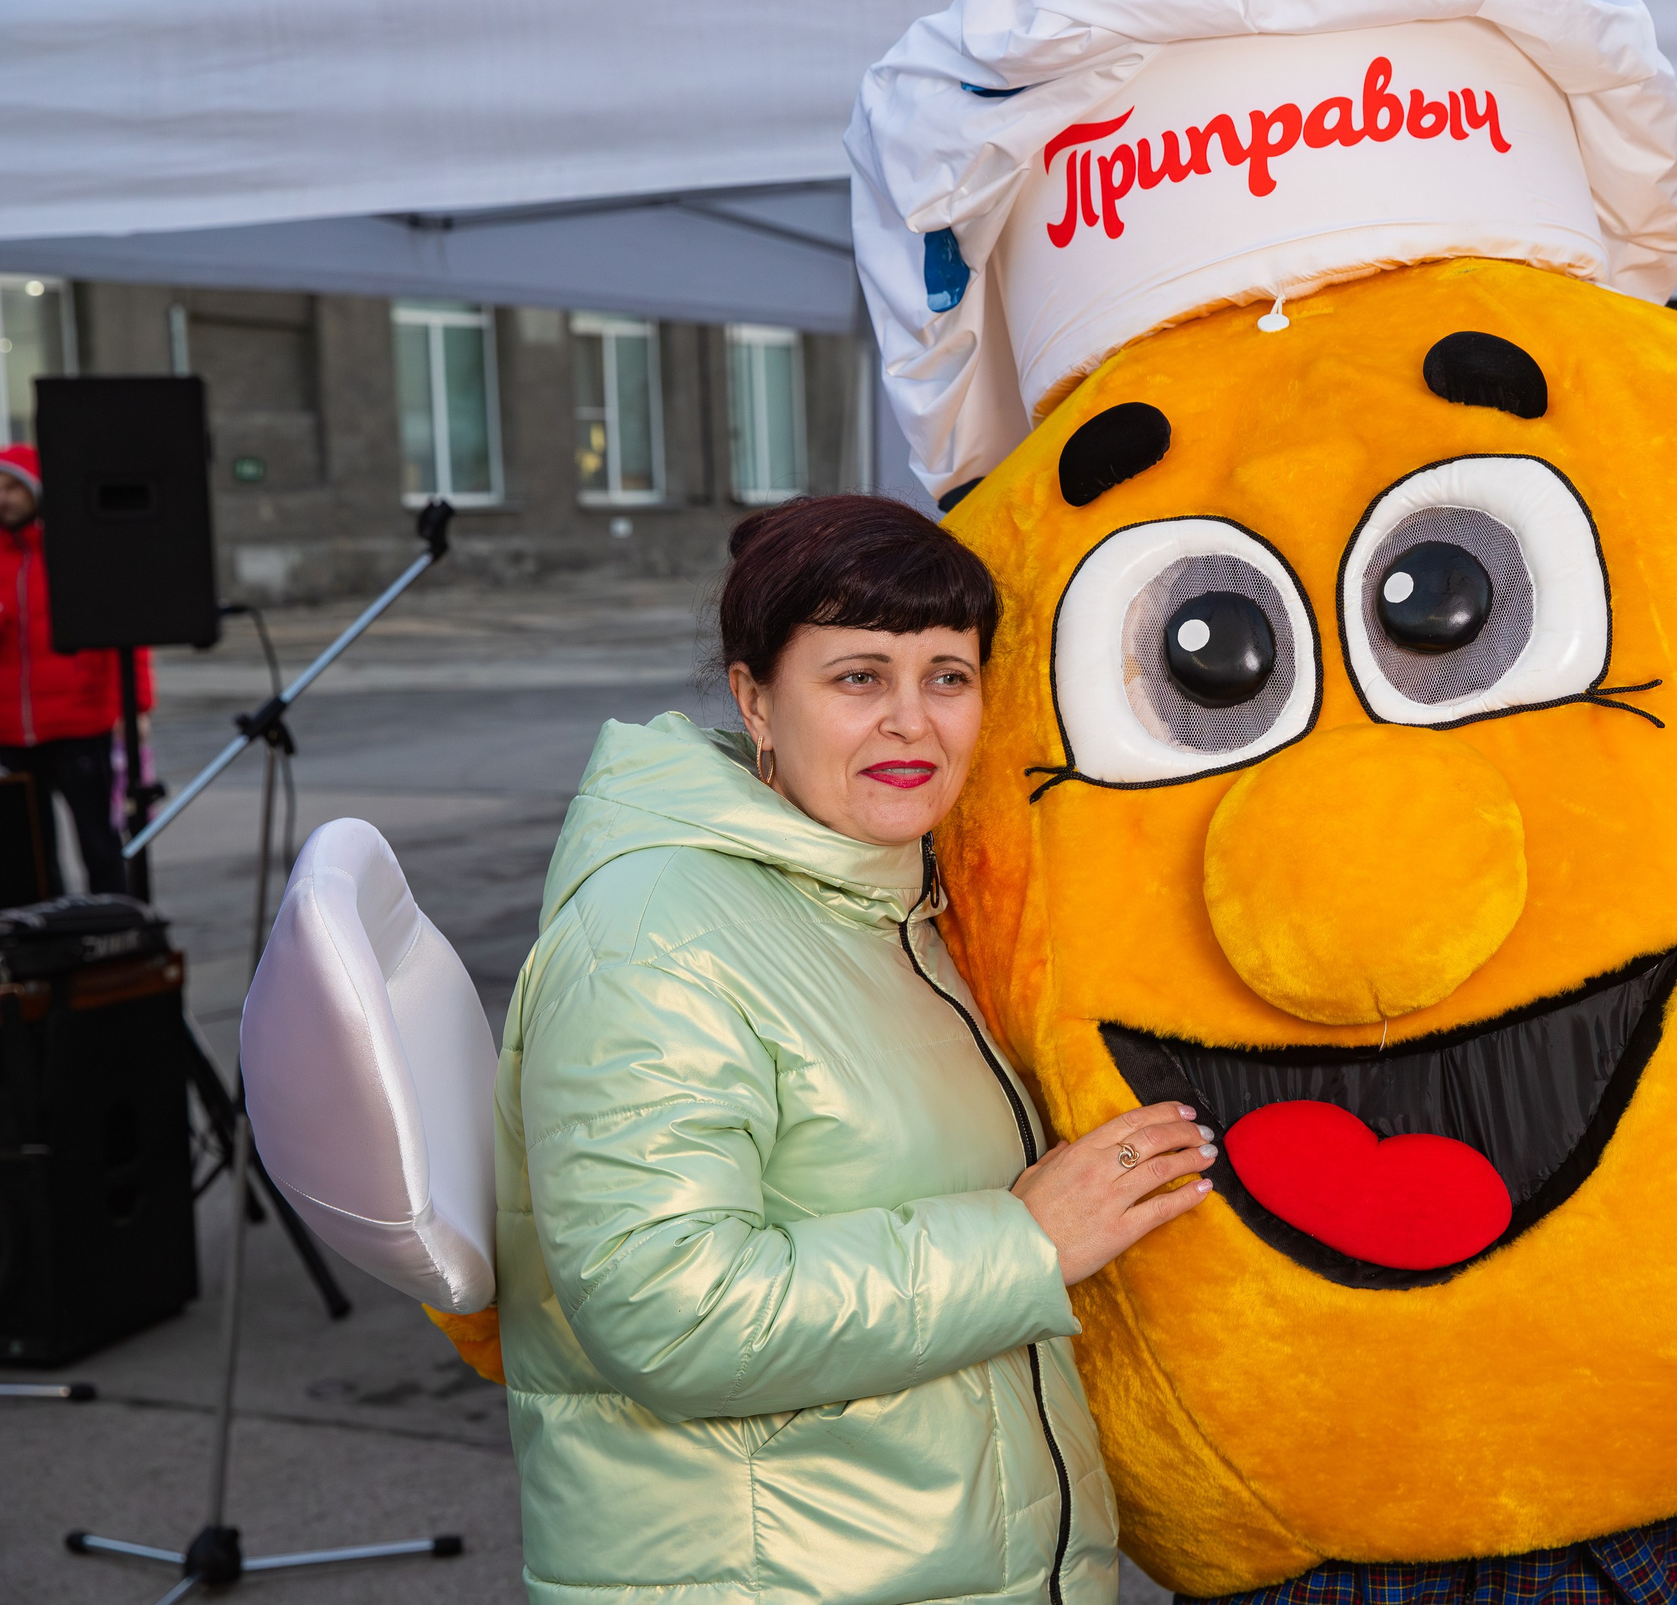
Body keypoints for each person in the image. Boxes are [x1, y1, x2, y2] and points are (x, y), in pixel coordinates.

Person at [485, 492, 1213, 1605]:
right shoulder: (657, 935)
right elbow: (670, 1311)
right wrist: (1022, 1243)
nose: (912, 721)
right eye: (857, 677)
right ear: (755, 700)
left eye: (948, 676)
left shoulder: (882, 898)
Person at [0, 444, 152, 897]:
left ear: (36, 489)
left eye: (10, 487)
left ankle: (112, 928)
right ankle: (48, 939)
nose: (0, 499)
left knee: (99, 844)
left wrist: (137, 704)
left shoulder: (77, 552)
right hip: (12, 731)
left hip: (80, 723)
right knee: (30, 853)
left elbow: (128, 632)